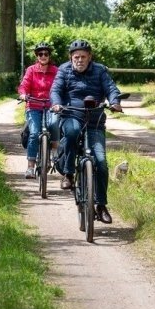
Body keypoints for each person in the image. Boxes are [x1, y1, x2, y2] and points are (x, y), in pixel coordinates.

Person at [50, 39, 122, 224]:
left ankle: (101, 205)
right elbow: (55, 90)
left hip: (94, 120)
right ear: (71, 58)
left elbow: (111, 88)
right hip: (71, 115)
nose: (79, 60)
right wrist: (56, 103)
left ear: (90, 57)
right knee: (72, 132)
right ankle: (68, 174)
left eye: (83, 56)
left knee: (101, 162)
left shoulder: (100, 71)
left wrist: (115, 102)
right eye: (76, 57)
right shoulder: (64, 70)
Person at [18, 42, 60, 179]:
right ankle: (30, 167)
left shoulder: (55, 70)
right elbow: (24, 85)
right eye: (40, 54)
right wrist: (23, 94)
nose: (43, 56)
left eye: (46, 54)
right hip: (33, 105)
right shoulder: (31, 70)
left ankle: (54, 149)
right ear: (37, 56)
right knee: (34, 133)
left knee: (54, 123)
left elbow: (61, 86)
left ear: (49, 56)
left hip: (51, 105)